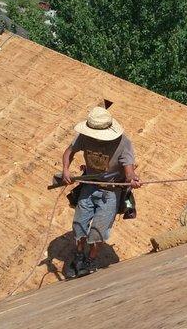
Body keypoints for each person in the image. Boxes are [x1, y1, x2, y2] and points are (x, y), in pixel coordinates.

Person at [61, 107, 141, 277]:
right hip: (89, 186)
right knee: (79, 224)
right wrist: (66, 170)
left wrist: (132, 178)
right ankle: (79, 256)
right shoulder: (84, 136)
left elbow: (129, 171)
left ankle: (91, 260)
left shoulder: (123, 143)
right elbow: (69, 152)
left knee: (98, 230)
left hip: (110, 192)